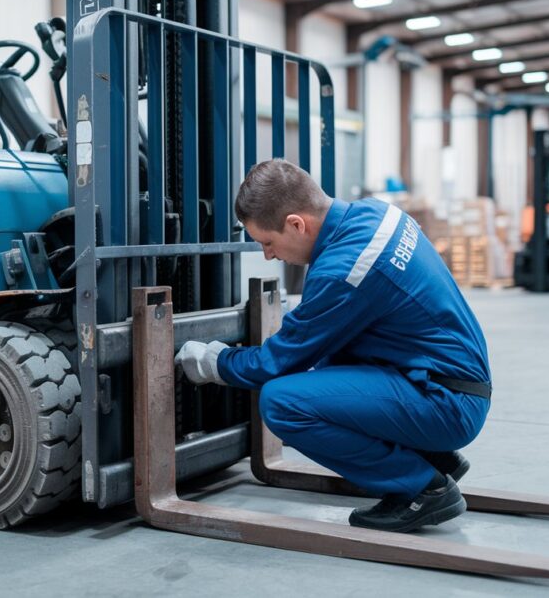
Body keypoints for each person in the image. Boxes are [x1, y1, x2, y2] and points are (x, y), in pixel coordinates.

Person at [175, 160, 492, 533]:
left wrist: (215, 361)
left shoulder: (345, 270)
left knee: (282, 401)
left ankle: (423, 487)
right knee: (326, 366)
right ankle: (433, 457)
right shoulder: (375, 214)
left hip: (446, 403)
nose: (268, 256)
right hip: (450, 382)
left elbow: (275, 362)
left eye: (267, 242)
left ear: (296, 223)